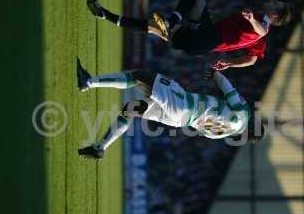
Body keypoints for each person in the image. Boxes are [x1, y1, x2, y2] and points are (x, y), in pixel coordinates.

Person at [75, 58, 265, 159]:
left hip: (183, 106)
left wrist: (216, 74)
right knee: (132, 108)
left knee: (140, 76)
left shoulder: (243, 115)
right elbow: (201, 129)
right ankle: (100, 148)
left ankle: (88, 82)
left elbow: (228, 89)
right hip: (179, 121)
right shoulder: (225, 134)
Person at [86, 0, 291, 70]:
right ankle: (104, 15)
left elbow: (261, 31)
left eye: (276, 4)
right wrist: (230, 63)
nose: (272, 1)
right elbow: (252, 59)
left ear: (275, 15)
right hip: (204, 38)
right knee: (155, 26)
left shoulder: (262, 24)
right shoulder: (260, 33)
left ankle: (171, 22)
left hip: (207, 38)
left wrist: (253, 21)